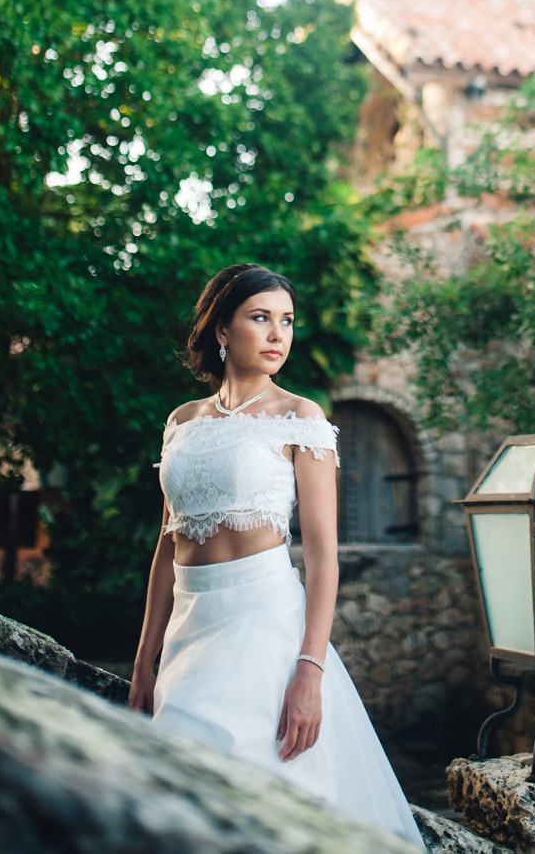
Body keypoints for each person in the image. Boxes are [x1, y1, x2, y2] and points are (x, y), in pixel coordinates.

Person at [128, 262, 425, 848]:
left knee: (244, 791)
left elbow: (322, 557)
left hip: (262, 624)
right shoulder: (182, 422)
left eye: (286, 321)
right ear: (221, 330)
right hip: (190, 627)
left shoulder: (300, 417)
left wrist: (309, 672)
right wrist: (143, 662)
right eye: (259, 318)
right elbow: (167, 546)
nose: (276, 335)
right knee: (184, 800)